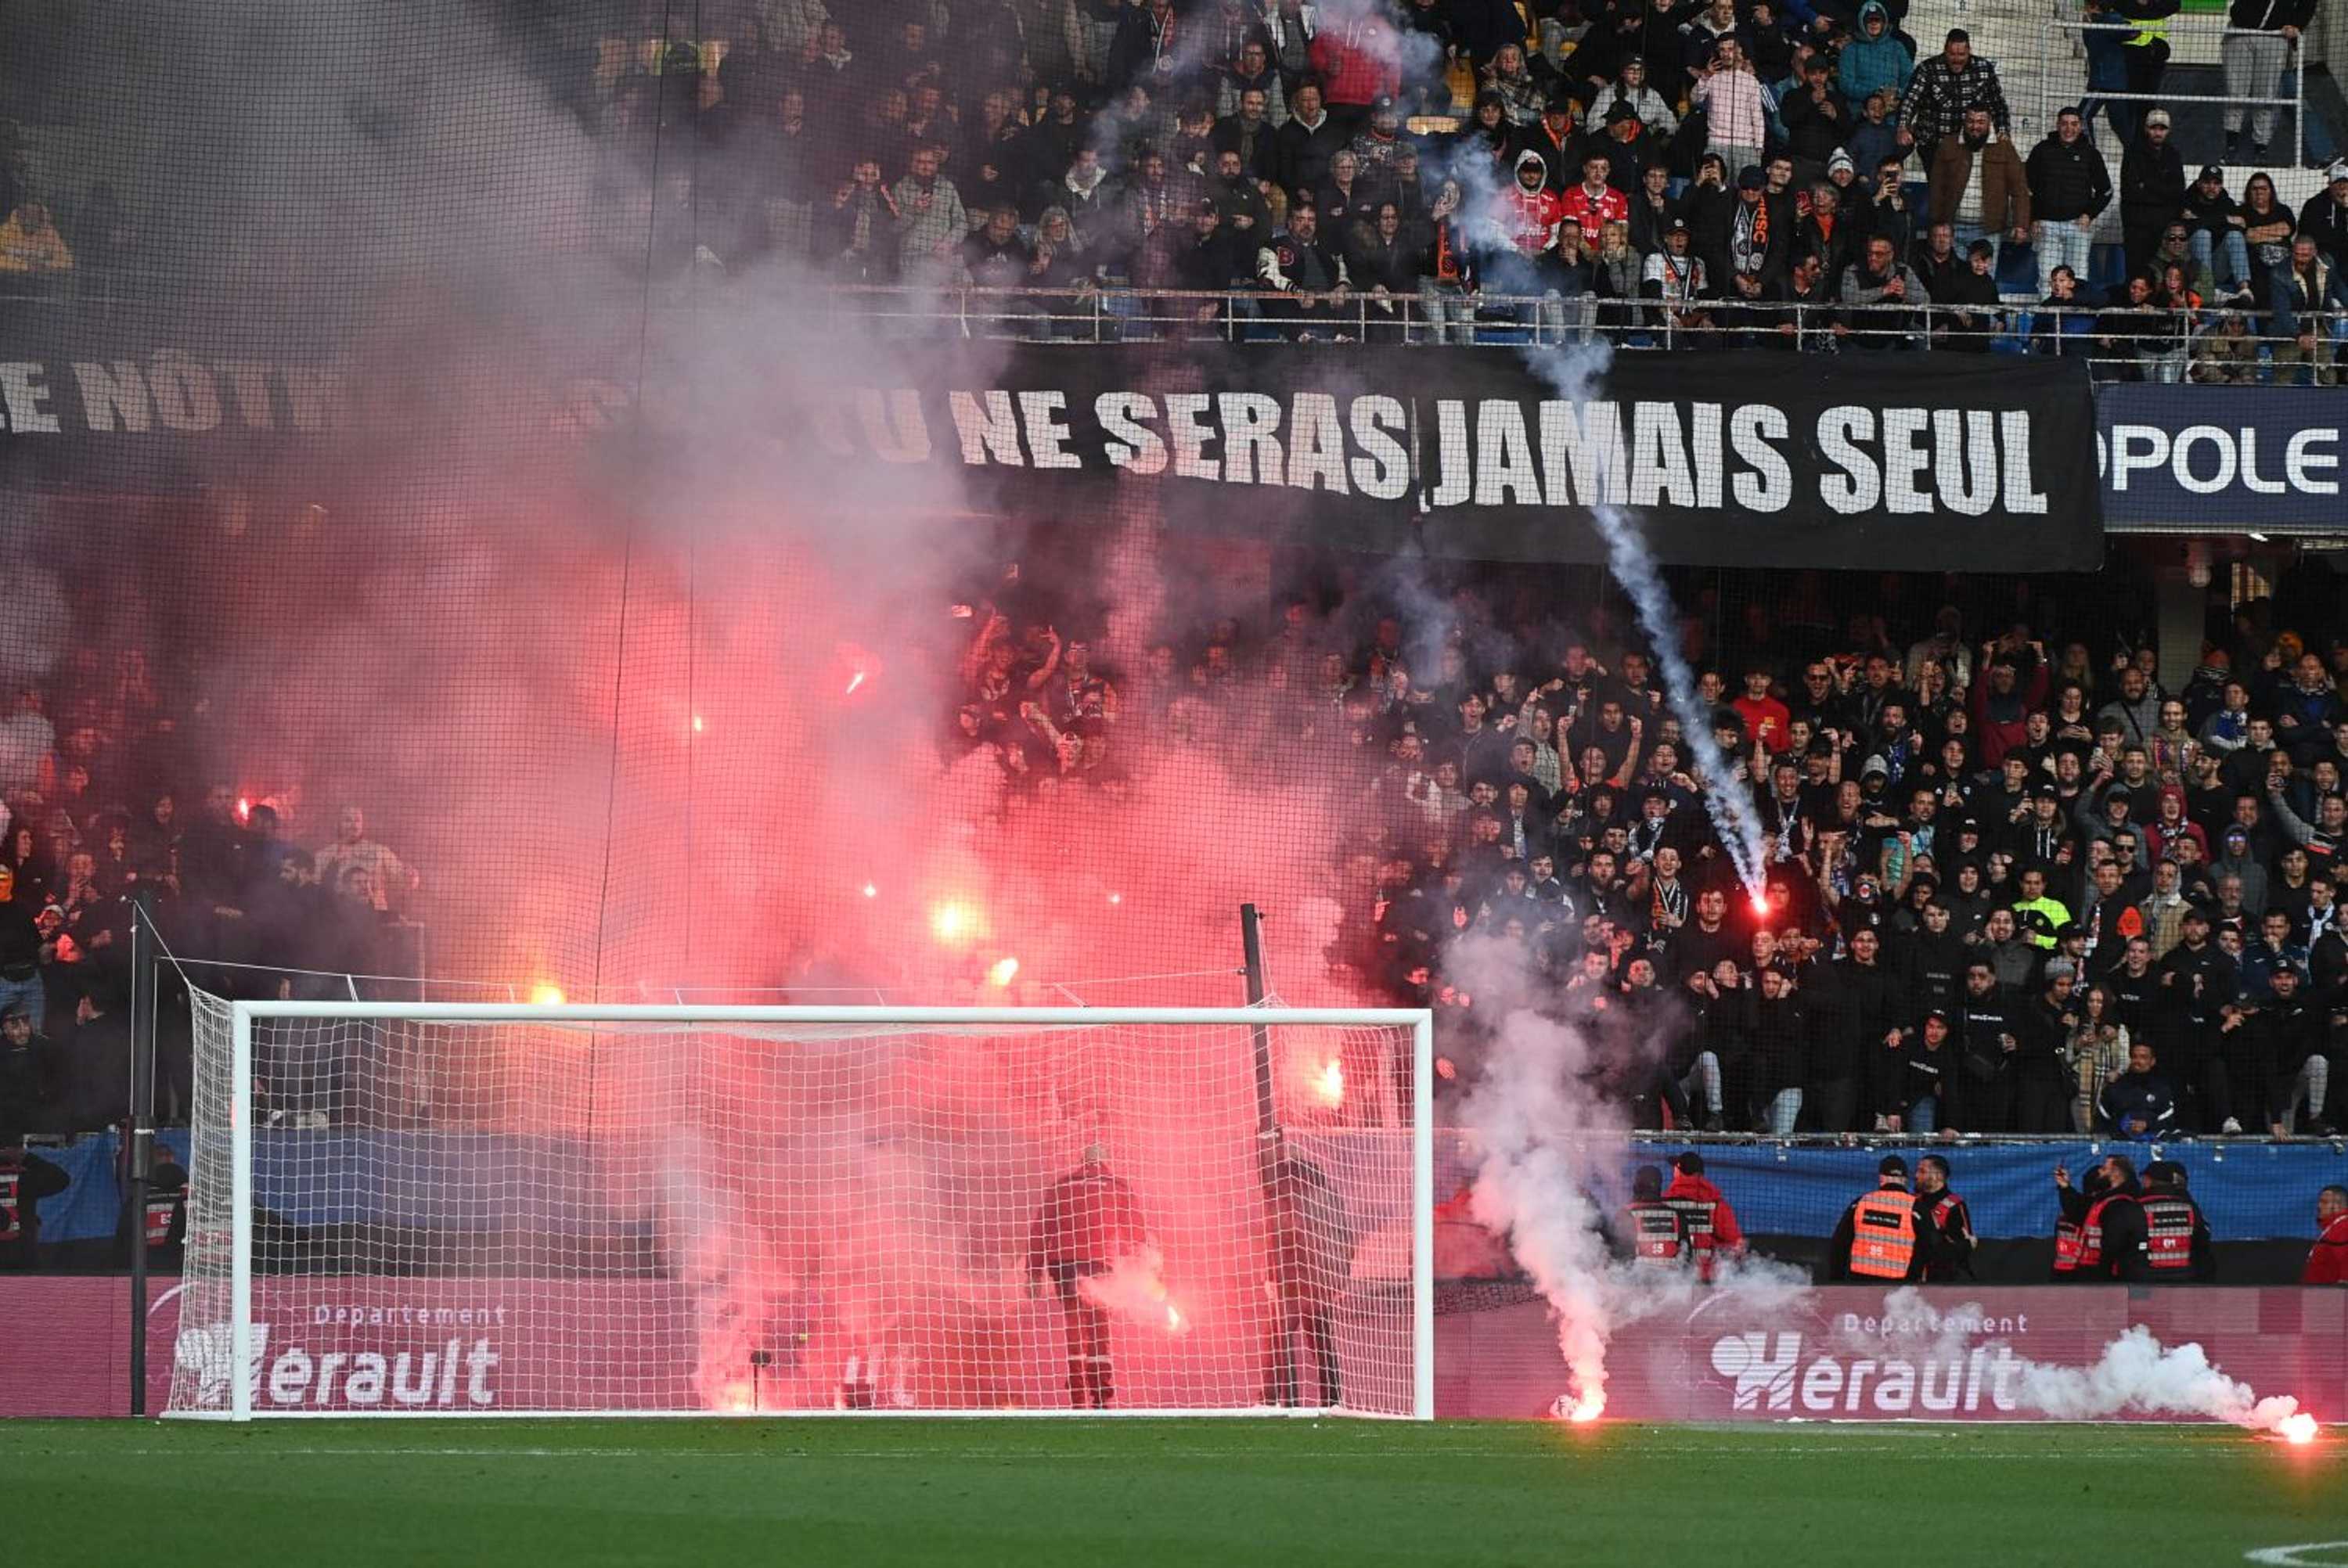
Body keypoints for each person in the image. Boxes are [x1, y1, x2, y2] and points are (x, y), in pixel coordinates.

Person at [1026, 1142, 1149, 1408]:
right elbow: (1136, 1231)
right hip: (1099, 1261)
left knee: (1074, 1322)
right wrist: (1143, 1266)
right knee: (1099, 1324)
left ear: (1081, 1161)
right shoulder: (1117, 1187)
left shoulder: (1061, 1186)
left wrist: (1033, 1272)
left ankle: (1077, 1390)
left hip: (1063, 1264)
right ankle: (1101, 1391)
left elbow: (1040, 1230)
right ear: (1105, 1161)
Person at [1261, 1150, 1352, 1408]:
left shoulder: (1282, 1198)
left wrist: (1270, 1277)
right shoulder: (1329, 1197)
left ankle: (1275, 1401)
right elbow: (1346, 1237)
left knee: (1279, 1341)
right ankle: (1333, 1401)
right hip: (1321, 1281)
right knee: (1322, 1344)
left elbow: (1276, 1239)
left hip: (1291, 1281)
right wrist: (1340, 1276)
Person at [2051, 1152, 2150, 1282]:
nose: (2099, 1171)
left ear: (2116, 1174)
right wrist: (2065, 1187)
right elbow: (2078, 1212)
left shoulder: (2121, 1205)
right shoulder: (2105, 1200)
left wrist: (2104, 1276)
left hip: (2109, 1277)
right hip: (2095, 1274)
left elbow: (2114, 1246)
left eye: (2104, 1168)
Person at [1824, 1154, 1921, 1282]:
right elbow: (1928, 1247)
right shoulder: (1916, 1207)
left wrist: (1836, 1280)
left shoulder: (1860, 1203)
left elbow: (1840, 1243)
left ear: (1881, 1178)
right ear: (1905, 1180)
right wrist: (1914, 1279)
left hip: (1859, 1281)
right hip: (1898, 1287)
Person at [1662, 1150, 1745, 1281]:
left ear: (1678, 1170)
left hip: (1673, 1279)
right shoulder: (1717, 1204)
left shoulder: (1664, 1204)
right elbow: (1737, 1245)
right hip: (1708, 1279)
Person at [0, 1131, 69, 1268]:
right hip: (21, 1261)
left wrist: (24, 1158)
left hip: (22, 1262)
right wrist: (25, 1157)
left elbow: (60, 1179)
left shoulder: (22, 1180)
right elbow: (60, 1178)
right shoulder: (23, 1180)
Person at [2138, 1160, 2215, 1281]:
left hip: (2146, 1275)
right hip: (2184, 1274)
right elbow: (2203, 1240)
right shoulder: (2189, 1206)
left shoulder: (2138, 1206)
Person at [1911, 1154, 1975, 1282]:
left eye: (1922, 1171)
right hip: (1912, 1275)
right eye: (1917, 1171)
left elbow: (1964, 1245)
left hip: (1940, 1278)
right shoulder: (1912, 1201)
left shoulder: (1954, 1206)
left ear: (1938, 1176)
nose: (1916, 1175)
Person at [1622, 1163, 1693, 1270]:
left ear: (1636, 1186)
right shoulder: (1677, 1215)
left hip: (1636, 1282)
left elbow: (1620, 1259)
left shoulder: (1626, 1215)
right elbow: (1687, 1256)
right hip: (1673, 1283)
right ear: (1659, 1187)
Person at [2304, 1185, 2348, 1284]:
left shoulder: (2343, 1225)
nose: (2319, 1206)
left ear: (2338, 1205)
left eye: (2324, 1202)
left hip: (2329, 1296)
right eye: (2320, 1202)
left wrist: (2343, 1289)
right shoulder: (2334, 1227)